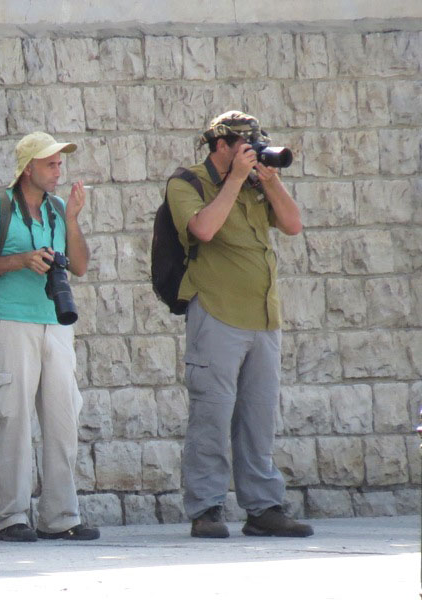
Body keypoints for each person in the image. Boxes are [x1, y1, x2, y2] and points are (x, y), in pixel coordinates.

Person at [167, 111, 314, 539]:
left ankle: (263, 507)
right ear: (222, 146)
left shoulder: (254, 182)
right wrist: (233, 181)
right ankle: (206, 509)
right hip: (216, 312)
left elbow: (292, 225)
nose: (253, 153)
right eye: (246, 145)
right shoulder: (187, 182)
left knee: (258, 416)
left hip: (264, 317)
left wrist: (271, 181)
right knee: (211, 415)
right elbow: (203, 229)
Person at [0, 132, 98, 542]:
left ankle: (60, 517)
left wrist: (72, 219)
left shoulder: (57, 210)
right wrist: (22, 260)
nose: (59, 171)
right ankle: (11, 518)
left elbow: (79, 267)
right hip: (10, 322)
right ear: (28, 169)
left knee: (63, 419)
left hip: (56, 323)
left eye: (60, 163)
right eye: (50, 164)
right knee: (14, 420)